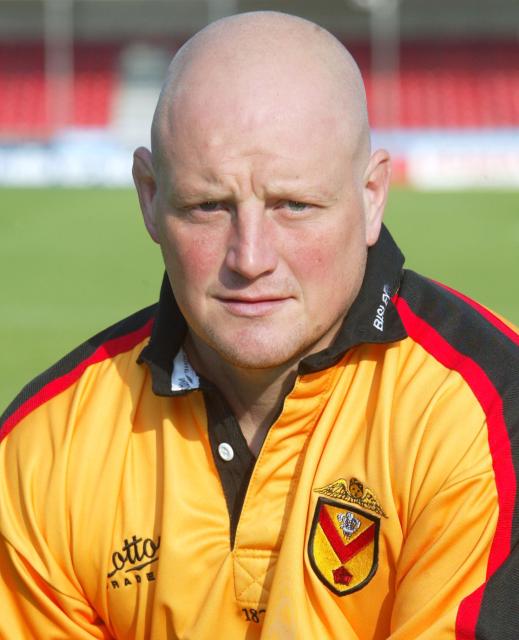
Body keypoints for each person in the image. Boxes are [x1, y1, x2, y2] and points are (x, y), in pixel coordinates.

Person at [0, 11, 517, 640]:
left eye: (294, 205)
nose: (250, 258)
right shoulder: (42, 450)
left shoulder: (486, 415)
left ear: (372, 195)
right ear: (150, 197)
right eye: (208, 206)